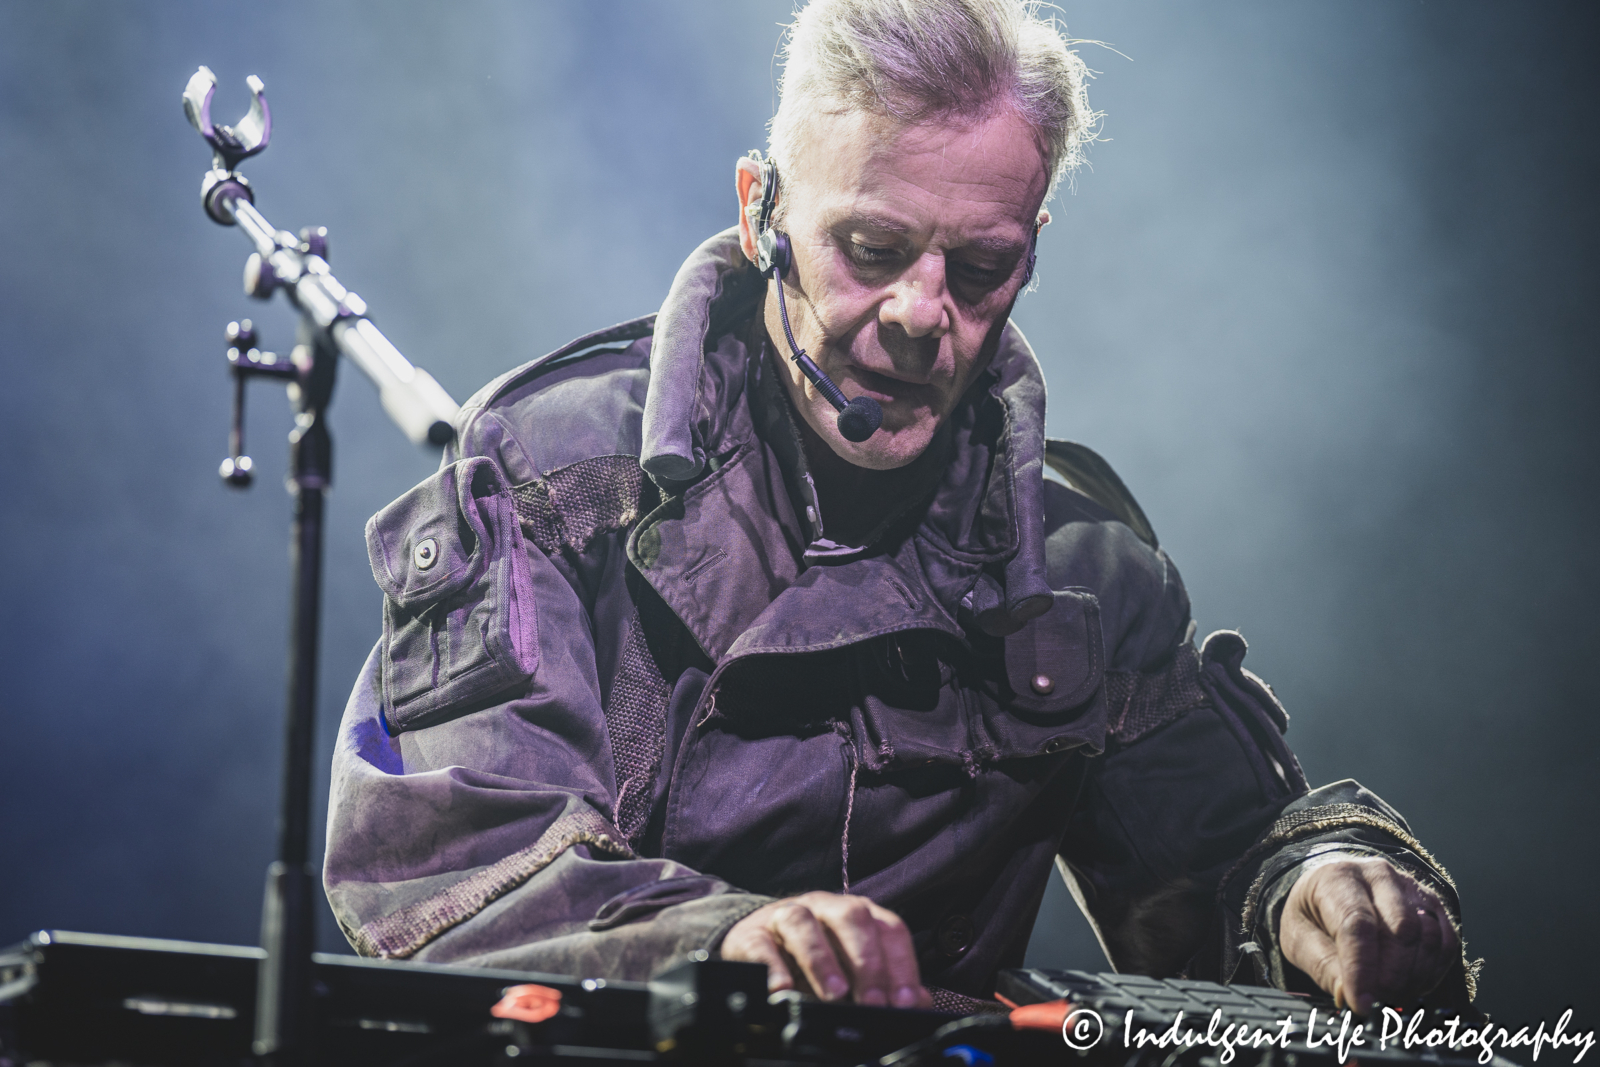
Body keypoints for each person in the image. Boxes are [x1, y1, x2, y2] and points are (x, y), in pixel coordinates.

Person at [325, 0, 1477, 1016]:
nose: (923, 314)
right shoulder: (550, 472)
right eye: (870, 249)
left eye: (980, 269)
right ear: (758, 210)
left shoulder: (1082, 570)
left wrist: (1315, 886)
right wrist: (713, 942)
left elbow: (1222, 865)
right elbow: (454, 856)